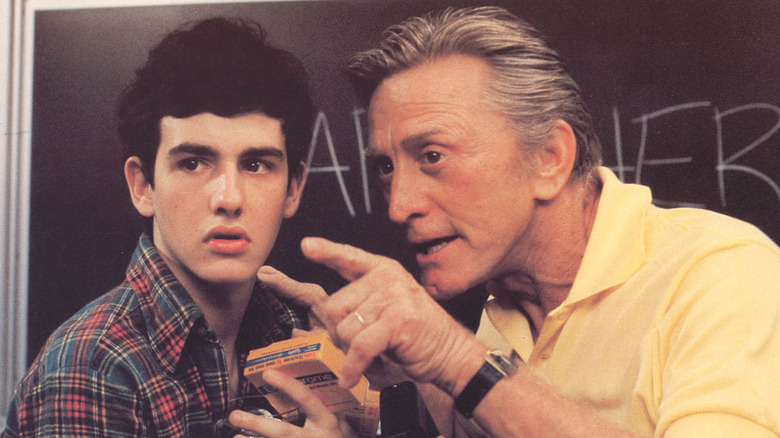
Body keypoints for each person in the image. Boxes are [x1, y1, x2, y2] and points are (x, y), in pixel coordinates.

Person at [256, 6, 780, 437]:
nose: (399, 205)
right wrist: (401, 383)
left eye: (433, 156)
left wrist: (455, 357)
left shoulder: (723, 275)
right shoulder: (506, 305)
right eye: (386, 168)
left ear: (549, 158)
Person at [2, 17, 354, 437]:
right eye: (192, 163)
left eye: (256, 165)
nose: (229, 198)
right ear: (143, 186)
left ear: (292, 189)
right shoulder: (95, 367)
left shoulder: (290, 329)